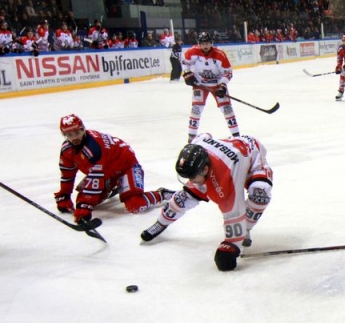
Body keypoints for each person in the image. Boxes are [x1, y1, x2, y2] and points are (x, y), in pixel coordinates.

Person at [140, 133, 274, 272]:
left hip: (253, 157)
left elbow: (234, 216)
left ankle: (247, 228)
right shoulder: (198, 147)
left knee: (260, 192)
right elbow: (204, 135)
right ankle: (161, 223)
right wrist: (160, 223)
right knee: (186, 196)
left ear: (205, 169)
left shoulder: (226, 181)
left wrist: (230, 247)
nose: (191, 181)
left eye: (192, 177)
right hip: (230, 152)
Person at [54, 114, 175, 227]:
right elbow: (67, 174)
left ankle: (161, 194)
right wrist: (64, 195)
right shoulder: (67, 149)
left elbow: (94, 182)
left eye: (77, 132)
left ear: (83, 129)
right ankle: (115, 187)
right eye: (69, 135)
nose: (74, 137)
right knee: (83, 201)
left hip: (126, 167)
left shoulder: (93, 148)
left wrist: (84, 207)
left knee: (136, 205)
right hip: (105, 172)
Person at [182, 32, 239, 141]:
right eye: (203, 43)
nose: (205, 46)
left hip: (217, 84)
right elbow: (185, 62)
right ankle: (191, 137)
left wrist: (222, 85)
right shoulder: (192, 52)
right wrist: (187, 74)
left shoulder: (219, 54)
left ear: (211, 43)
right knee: (196, 109)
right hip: (200, 84)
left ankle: (236, 136)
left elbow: (228, 72)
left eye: (207, 43)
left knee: (227, 109)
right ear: (199, 44)